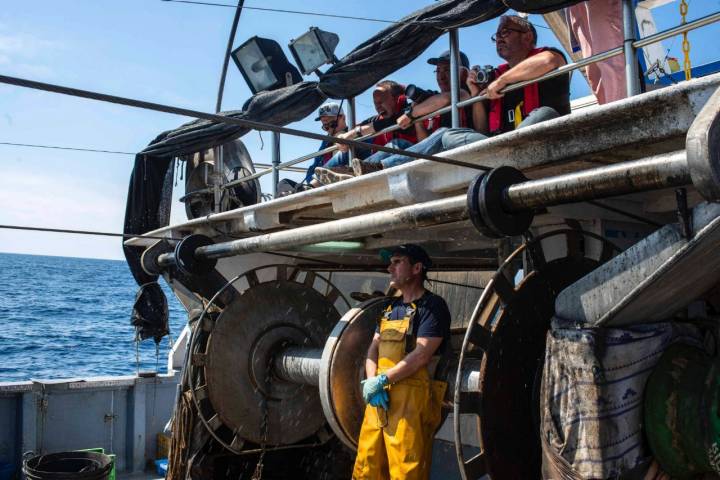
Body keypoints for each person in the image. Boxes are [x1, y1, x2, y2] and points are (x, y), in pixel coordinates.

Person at [354, 15, 571, 173]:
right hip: (497, 145)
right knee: (446, 133)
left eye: (506, 33)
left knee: (544, 113)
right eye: (497, 36)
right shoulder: (494, 76)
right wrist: (477, 94)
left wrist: (503, 81)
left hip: (543, 137)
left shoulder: (547, 56)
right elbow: (483, 129)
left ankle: (509, 155)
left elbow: (549, 62)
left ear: (527, 37)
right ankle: (379, 167)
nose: (500, 39)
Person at [353, 244, 450, 480]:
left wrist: (383, 379)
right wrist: (371, 381)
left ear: (417, 268)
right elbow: (373, 348)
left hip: (412, 401)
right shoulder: (390, 308)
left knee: (406, 470)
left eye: (397, 262)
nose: (390, 268)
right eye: (391, 263)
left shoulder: (432, 307)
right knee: (367, 466)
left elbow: (422, 354)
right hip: (379, 400)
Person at [352, 50, 473, 174]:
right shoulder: (431, 101)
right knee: (397, 144)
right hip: (436, 153)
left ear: (463, 73)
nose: (441, 76)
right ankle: (354, 172)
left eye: (447, 70)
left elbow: (447, 98)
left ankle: (381, 167)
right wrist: (417, 120)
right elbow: (425, 144)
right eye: (438, 71)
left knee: (443, 132)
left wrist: (411, 114)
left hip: (463, 145)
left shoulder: (466, 92)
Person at [315, 80, 417, 183]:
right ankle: (314, 183)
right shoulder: (378, 118)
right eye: (375, 103)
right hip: (383, 165)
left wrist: (352, 133)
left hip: (412, 159)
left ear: (398, 99)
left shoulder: (411, 112)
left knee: (396, 144)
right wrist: (344, 137)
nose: (378, 106)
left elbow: (390, 122)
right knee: (352, 145)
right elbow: (366, 125)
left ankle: (351, 171)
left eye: (381, 101)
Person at [567, 0, 626, 104]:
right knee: (594, 73)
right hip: (574, 6)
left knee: (611, 62)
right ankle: (609, 111)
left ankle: (620, 110)